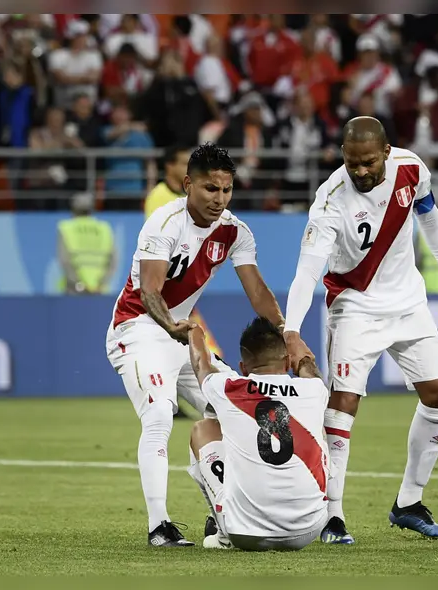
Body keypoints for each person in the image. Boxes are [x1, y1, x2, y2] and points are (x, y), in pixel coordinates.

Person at [282, 116, 438, 543]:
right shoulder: (329, 201)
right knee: (343, 404)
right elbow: (307, 272)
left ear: (386, 152)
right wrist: (292, 331)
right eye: (352, 163)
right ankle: (332, 515)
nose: (361, 171)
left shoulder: (411, 168)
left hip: (408, 302)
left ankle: (409, 503)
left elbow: (429, 216)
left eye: (368, 162)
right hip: (355, 306)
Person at [104, 142, 284, 547]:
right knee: (159, 414)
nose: (219, 199)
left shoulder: (235, 232)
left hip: (181, 334)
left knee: (237, 407)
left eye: (226, 189)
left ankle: (222, 513)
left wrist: (286, 332)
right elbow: (149, 291)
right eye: (210, 189)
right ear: (188, 184)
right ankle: (159, 526)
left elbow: (257, 291)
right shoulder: (164, 223)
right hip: (137, 329)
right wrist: (172, 326)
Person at [187, 316, 328, 551]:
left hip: (244, 532)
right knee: (318, 428)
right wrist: (301, 354)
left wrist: (194, 331)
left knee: (203, 428)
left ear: (243, 368)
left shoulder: (230, 388)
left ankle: (222, 535)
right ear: (287, 362)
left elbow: (201, 364)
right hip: (308, 529)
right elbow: (309, 370)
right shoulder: (313, 389)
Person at [58, 193, 117, 295]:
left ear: (73, 209)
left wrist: (80, 285)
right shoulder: (104, 228)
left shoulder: (66, 228)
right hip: (100, 291)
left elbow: (65, 261)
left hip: (74, 290)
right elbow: (113, 262)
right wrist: (101, 284)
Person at [144, 146, 190, 218]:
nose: (189, 169)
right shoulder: (157, 196)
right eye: (184, 164)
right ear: (170, 166)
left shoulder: (189, 193)